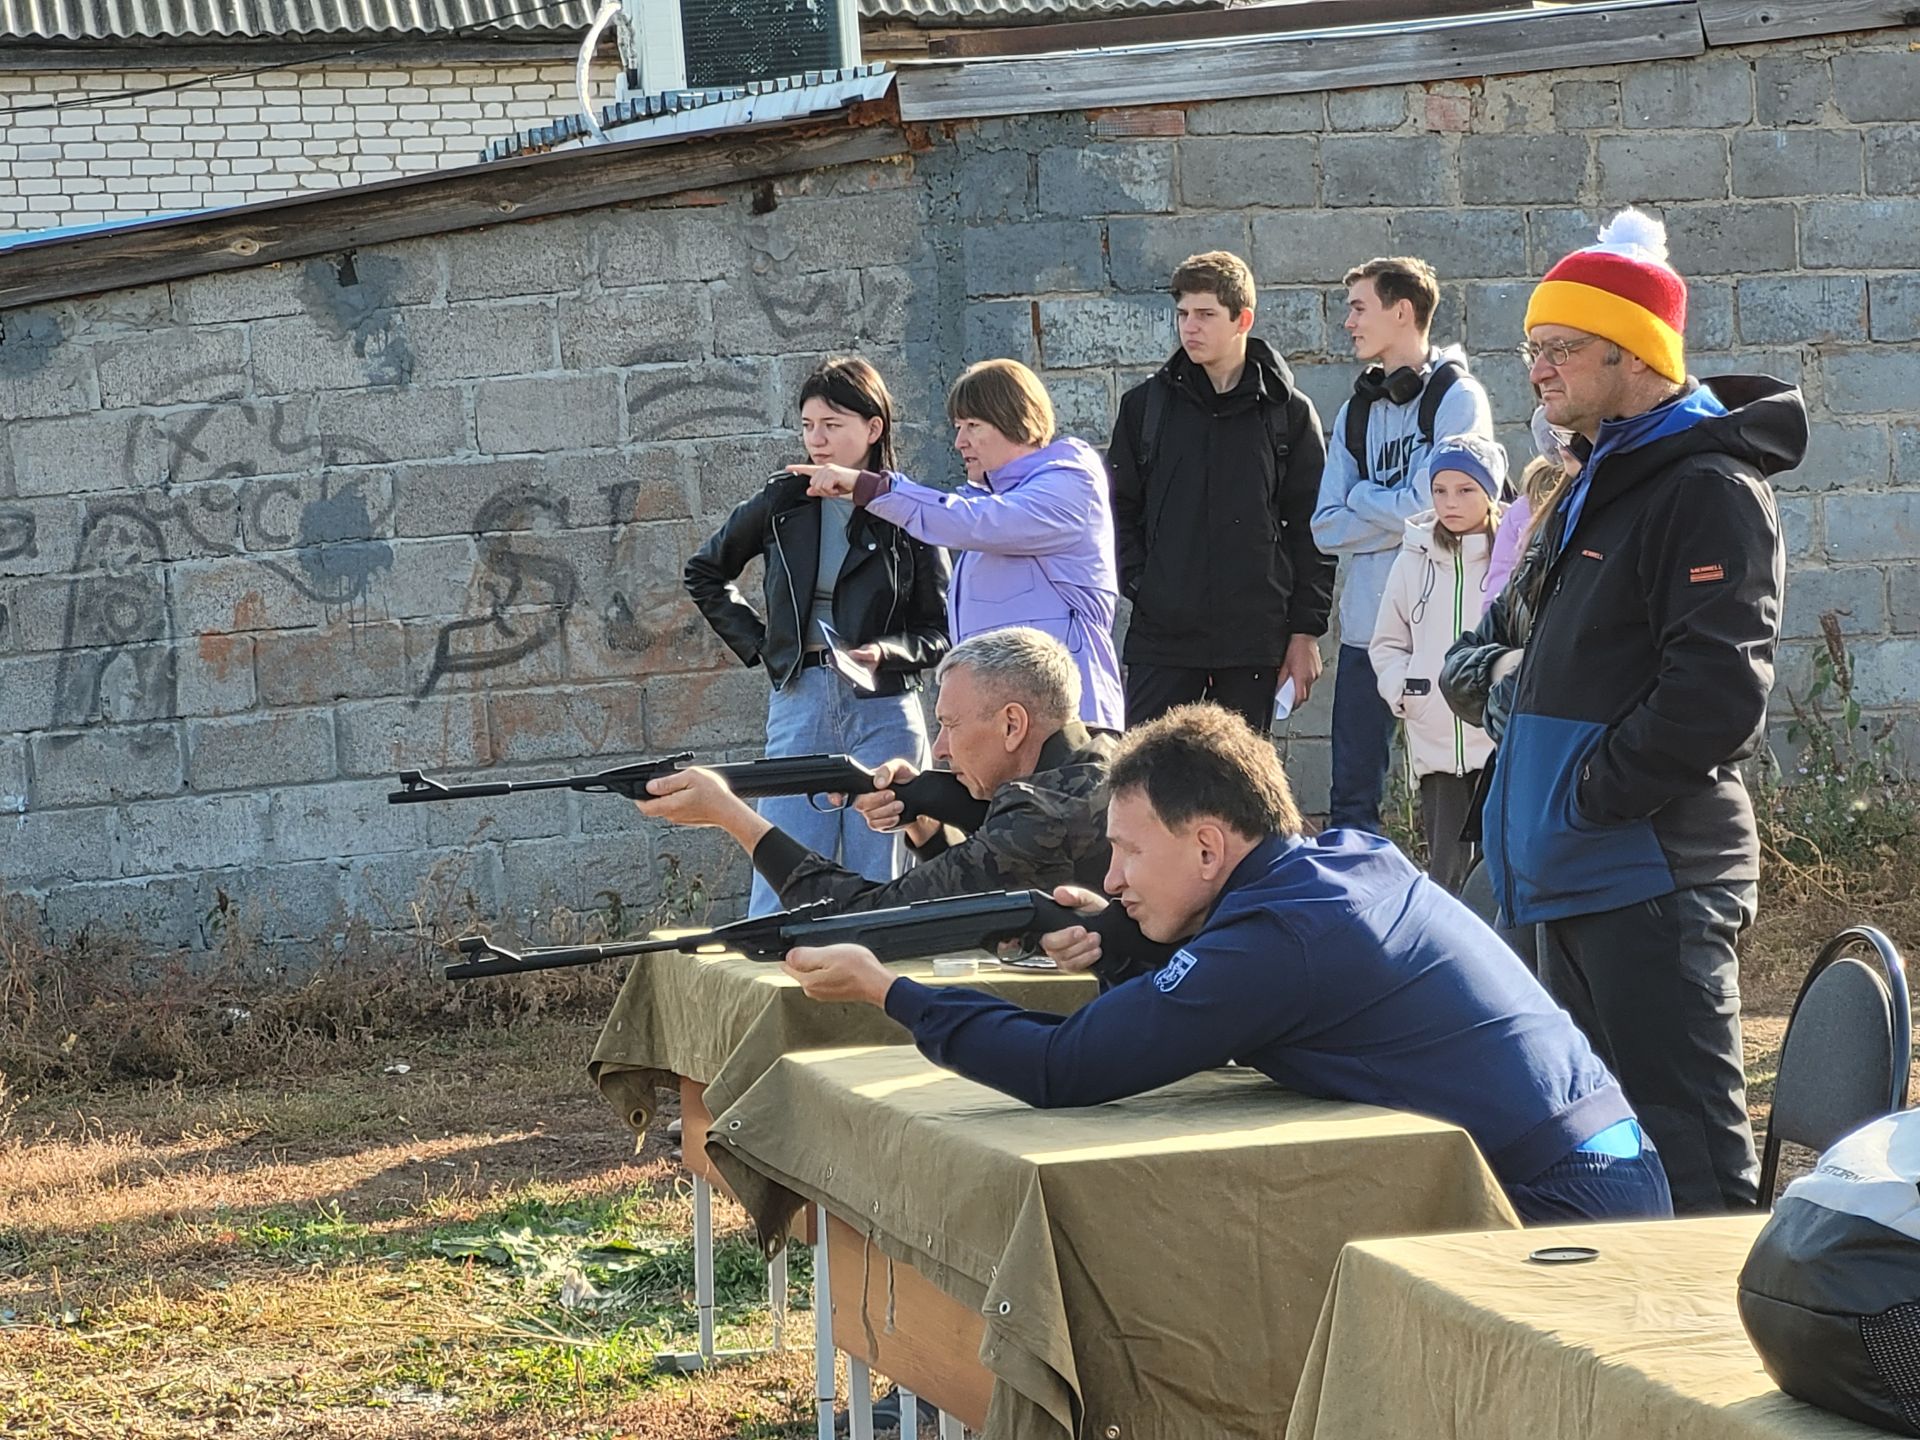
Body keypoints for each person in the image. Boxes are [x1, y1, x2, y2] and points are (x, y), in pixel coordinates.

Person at [782, 703, 1674, 1225]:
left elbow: (1064, 1067)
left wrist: (890, 991)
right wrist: (1129, 943)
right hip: (1604, 1163)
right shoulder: (1349, 857)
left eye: (1129, 851)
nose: (1113, 875)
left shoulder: (1275, 944)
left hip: (1560, 1205)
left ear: (1209, 846)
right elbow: (1246, 979)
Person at [1478, 208, 1806, 1214]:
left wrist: (1586, 794)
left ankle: (1722, 1370)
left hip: (1648, 875)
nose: (1538, 370)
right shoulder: (1596, 484)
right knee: (1606, 1168)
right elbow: (1505, 654)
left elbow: (1715, 699)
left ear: (1633, 352)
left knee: (1691, 1166)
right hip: (1571, 877)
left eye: (1560, 348)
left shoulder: (1708, 487)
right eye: (1532, 348)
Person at [684, 357, 950, 916]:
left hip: (884, 704)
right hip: (800, 696)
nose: (817, 439)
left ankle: (877, 985)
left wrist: (884, 651)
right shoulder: (783, 499)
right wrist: (765, 646)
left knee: (881, 870)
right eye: (808, 425)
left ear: (873, 429)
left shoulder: (906, 508)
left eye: (832, 424)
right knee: (784, 860)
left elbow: (941, 631)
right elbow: (705, 571)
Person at [633, 627, 1114, 912]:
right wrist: (926, 828)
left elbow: (868, 915)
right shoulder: (1102, 751)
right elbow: (981, 883)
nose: (941, 749)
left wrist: (732, 816)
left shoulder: (1042, 814)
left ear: (1013, 724)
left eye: (949, 725)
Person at [796, 359, 1125, 733]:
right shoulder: (992, 500)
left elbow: (976, 521)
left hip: (1067, 722)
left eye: (973, 426)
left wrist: (872, 489)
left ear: (1017, 420)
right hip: (1004, 722)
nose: (959, 442)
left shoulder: (1068, 484)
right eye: (958, 427)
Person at [1106, 250, 1334, 733]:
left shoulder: (1287, 413)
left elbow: (1313, 528)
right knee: (1146, 782)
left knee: (1240, 792)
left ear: (1242, 319)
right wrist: (1145, 587)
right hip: (1162, 638)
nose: (1190, 327)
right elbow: (1117, 511)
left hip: (1253, 639)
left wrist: (1305, 631)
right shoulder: (1144, 408)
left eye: (1206, 314)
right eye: (1183, 314)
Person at [1312, 256, 1494, 832]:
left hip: (1446, 635)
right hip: (1368, 632)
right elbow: (1324, 525)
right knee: (1352, 803)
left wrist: (1363, 497)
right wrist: (1397, 508)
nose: (1348, 322)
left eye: (1359, 307)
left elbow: (1443, 508)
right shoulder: (1355, 411)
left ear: (1403, 311)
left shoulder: (1457, 399)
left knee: (1461, 798)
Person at [1367, 434, 1506, 895]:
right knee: (1446, 874)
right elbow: (1387, 641)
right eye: (1440, 490)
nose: (1450, 502)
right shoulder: (1413, 558)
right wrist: (1404, 690)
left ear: (1490, 491)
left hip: (1497, 741)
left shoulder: (1514, 555)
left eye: (1466, 489)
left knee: (1498, 870)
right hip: (1436, 742)